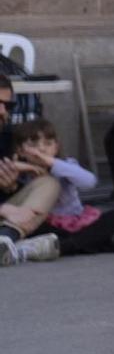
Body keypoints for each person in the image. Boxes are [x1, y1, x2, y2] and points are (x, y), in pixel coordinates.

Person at [4, 117, 114, 255]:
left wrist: (51, 162)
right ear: (20, 150)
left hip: (75, 221)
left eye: (48, 143)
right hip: (47, 225)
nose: (41, 149)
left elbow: (89, 181)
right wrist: (18, 170)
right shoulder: (22, 173)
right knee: (34, 230)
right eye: (33, 145)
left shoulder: (65, 165)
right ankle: (94, 244)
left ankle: (64, 247)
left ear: (56, 147)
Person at [0, 80, 62, 265]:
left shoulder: (11, 138)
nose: (2, 111)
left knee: (48, 183)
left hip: (11, 220)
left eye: (8, 105)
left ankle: (6, 239)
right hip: (7, 213)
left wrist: (10, 187)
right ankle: (23, 249)